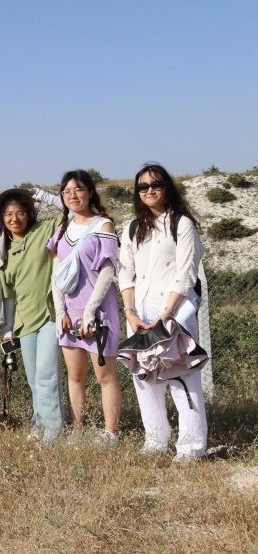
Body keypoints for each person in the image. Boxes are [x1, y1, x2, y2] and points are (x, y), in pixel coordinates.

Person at [118, 162, 207, 461]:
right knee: (144, 377)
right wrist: (129, 312)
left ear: (167, 187)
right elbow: (126, 271)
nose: (149, 190)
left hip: (173, 310)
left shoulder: (182, 224)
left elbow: (185, 273)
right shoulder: (132, 227)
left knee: (181, 375)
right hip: (139, 312)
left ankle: (191, 447)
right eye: (142, 186)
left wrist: (166, 313)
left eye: (155, 184)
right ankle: (155, 440)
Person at [44, 171, 122, 442]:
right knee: (74, 376)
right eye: (66, 191)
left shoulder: (104, 226)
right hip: (69, 314)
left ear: (90, 192)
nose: (72, 195)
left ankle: (110, 433)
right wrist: (61, 311)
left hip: (97, 313)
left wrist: (90, 311)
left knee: (105, 375)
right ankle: (77, 430)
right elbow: (57, 272)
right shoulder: (62, 228)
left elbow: (108, 271)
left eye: (78, 189)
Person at [0, 188, 63, 442]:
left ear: (30, 214)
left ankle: (54, 432)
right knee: (34, 379)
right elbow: (8, 295)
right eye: (9, 214)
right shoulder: (3, 249)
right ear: (2, 218)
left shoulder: (44, 231)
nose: (15, 219)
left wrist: (45, 196)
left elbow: (72, 211)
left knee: (47, 375)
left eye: (21, 212)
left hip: (49, 317)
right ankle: (39, 424)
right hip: (24, 323)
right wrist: (8, 329)